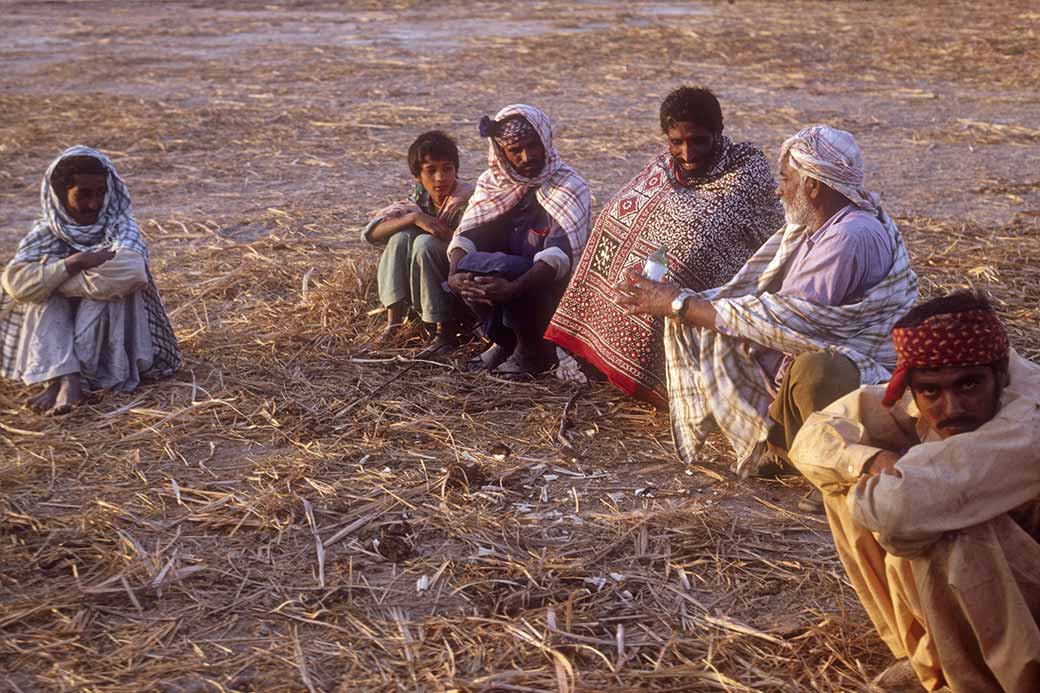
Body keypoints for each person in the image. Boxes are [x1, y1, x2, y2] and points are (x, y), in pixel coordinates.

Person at [616, 125, 918, 478]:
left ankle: (830, 468)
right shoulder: (816, 227)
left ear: (813, 186)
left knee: (813, 371)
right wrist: (685, 302)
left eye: (787, 179)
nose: (779, 189)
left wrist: (681, 304)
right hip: (811, 364)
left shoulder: (849, 235)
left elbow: (787, 321)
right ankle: (786, 445)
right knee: (750, 342)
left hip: (866, 379)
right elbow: (763, 301)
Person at [789, 292, 1040, 692]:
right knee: (851, 473)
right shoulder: (924, 393)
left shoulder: (1027, 420)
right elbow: (812, 438)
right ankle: (926, 658)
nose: (952, 407)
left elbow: (897, 513)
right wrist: (872, 463)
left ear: (1000, 373)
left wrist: (887, 482)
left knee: (947, 528)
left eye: (970, 384)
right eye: (931, 392)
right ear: (911, 387)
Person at [545, 86, 783, 406]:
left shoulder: (746, 171)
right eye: (676, 142)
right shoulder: (664, 167)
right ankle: (598, 357)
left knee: (680, 265)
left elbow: (769, 240)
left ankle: (660, 375)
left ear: (718, 133)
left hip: (726, 289)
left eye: (698, 140)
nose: (687, 154)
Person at [0, 146, 180, 414]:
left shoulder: (119, 226)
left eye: (100, 193)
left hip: (109, 334)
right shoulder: (45, 233)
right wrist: (74, 263)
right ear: (61, 194)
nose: (94, 204)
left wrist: (54, 279)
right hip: (59, 329)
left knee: (68, 287)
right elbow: (15, 284)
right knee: (41, 292)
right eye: (83, 194)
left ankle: (76, 378)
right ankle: (65, 377)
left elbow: (132, 272)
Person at [447, 104, 590, 378]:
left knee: (505, 269)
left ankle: (533, 351)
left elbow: (558, 259)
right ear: (502, 153)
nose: (527, 156)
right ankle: (506, 342)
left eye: (533, 145)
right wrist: (455, 275)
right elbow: (468, 235)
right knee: (468, 268)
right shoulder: (494, 184)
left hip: (546, 291)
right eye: (515, 151)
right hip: (503, 280)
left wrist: (513, 289)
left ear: (545, 140)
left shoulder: (569, 186)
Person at [362, 130, 474, 351]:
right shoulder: (419, 199)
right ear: (417, 176)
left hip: (459, 275)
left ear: (456, 170)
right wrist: (414, 217)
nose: (440, 178)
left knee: (425, 244)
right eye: (431, 171)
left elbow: (476, 240)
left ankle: (444, 330)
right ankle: (394, 322)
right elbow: (371, 234)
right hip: (427, 279)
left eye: (447, 169)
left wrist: (446, 234)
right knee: (401, 237)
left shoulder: (468, 198)